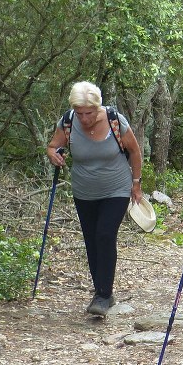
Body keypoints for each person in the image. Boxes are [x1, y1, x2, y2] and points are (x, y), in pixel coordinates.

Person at [46, 81, 144, 316]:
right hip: (84, 191)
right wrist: (53, 155)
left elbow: (135, 151)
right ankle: (100, 289)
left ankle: (103, 294)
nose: (84, 118)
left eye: (88, 113)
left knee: (105, 234)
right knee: (91, 239)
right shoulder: (68, 122)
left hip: (117, 188)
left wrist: (136, 184)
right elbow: (52, 146)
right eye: (80, 113)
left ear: (97, 107)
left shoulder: (114, 120)